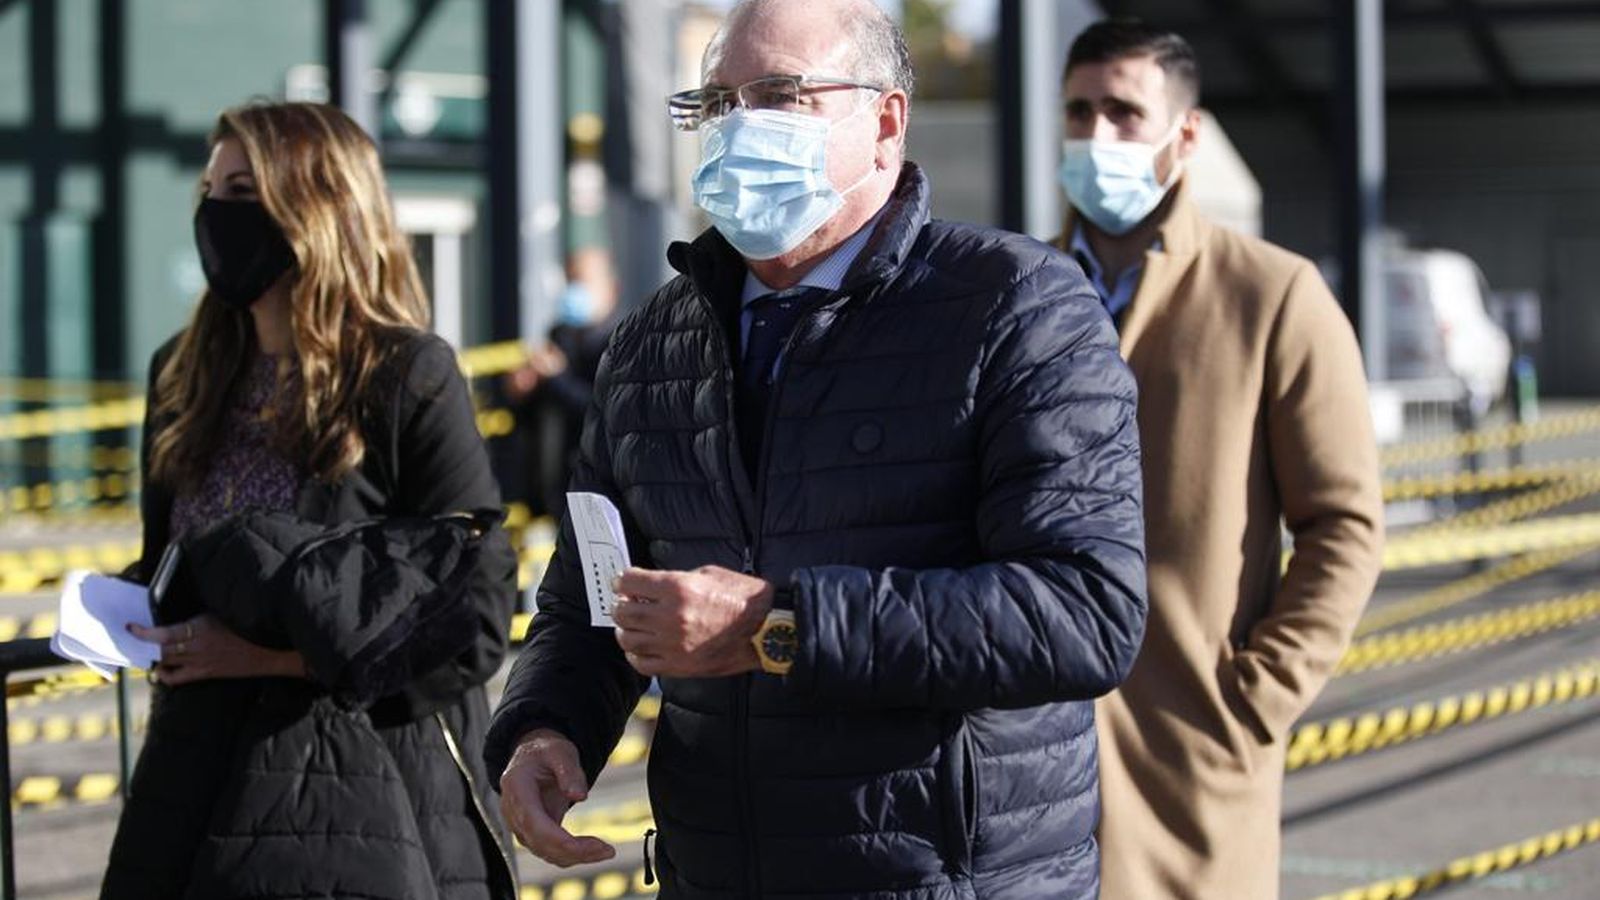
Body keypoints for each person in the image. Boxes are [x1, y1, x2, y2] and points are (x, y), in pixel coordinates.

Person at [484, 1, 1148, 897]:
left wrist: (777, 626)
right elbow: (596, 602)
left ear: (884, 124)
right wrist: (543, 730)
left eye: (781, 94)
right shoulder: (653, 344)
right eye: (717, 103)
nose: (738, 126)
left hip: (946, 878)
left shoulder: (1017, 307)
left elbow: (1085, 612)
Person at [100, 101, 519, 900]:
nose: (214, 212)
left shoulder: (406, 376)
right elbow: (168, 563)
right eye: (210, 188)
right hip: (191, 785)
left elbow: (478, 614)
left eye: (242, 190)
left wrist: (264, 657)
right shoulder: (180, 376)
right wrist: (122, 614)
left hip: (359, 797)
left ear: (315, 205)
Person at [1053, 21, 1385, 900]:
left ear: (1186, 135)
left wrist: (1256, 698)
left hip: (1196, 755)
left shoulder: (1273, 296)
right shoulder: (1021, 292)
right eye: (1079, 112)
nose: (1096, 137)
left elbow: (1343, 524)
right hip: (1033, 764)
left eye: (1125, 111)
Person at [501, 247, 621, 517]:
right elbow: (539, 414)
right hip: (553, 486)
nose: (575, 290)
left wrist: (556, 378)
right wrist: (524, 389)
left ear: (612, 289)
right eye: (571, 280)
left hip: (597, 489)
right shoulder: (559, 336)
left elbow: (602, 410)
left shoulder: (621, 343)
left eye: (584, 281)